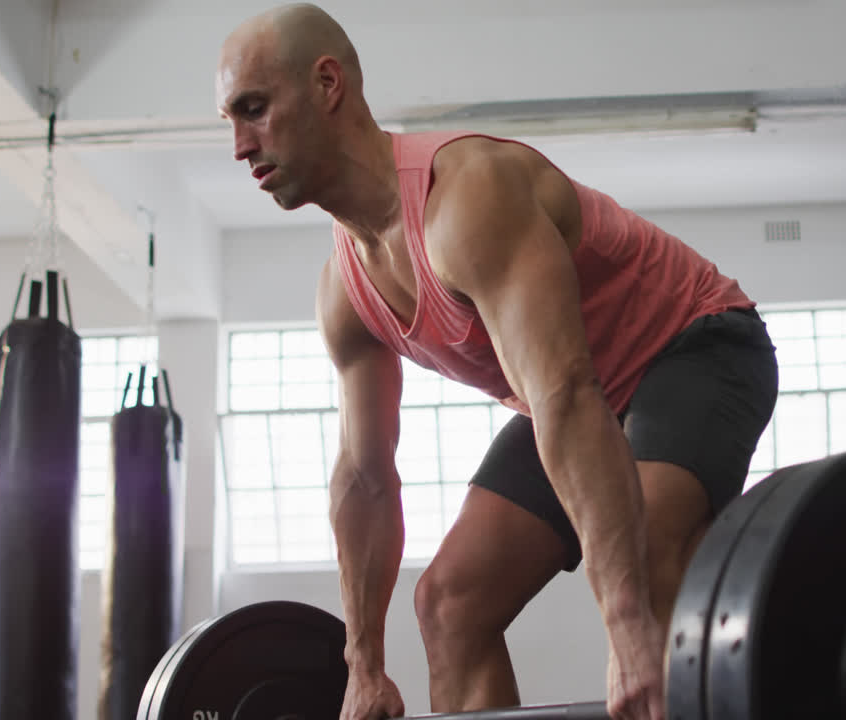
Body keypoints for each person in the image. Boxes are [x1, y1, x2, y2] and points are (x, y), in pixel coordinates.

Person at [216, 5, 778, 720]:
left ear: (327, 83)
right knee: (448, 605)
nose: (238, 145)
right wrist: (364, 664)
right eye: (229, 120)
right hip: (577, 390)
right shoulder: (344, 292)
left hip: (695, 344)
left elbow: (566, 394)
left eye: (254, 109)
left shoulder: (467, 196)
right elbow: (363, 477)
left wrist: (629, 627)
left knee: (650, 541)